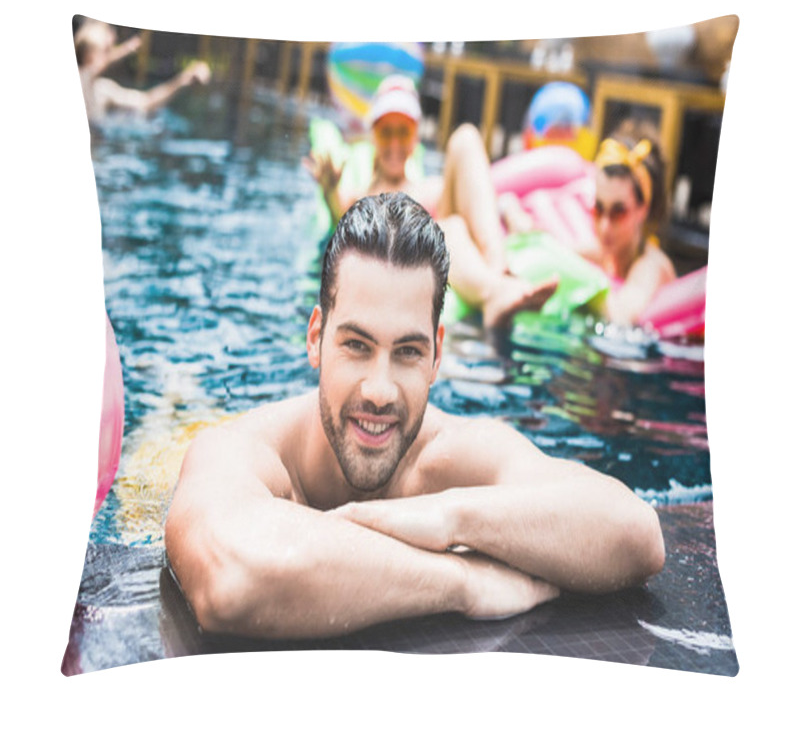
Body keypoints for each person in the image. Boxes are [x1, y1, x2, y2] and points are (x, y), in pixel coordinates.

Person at [164, 193, 665, 640]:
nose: (380, 392)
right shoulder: (242, 449)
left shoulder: (450, 456)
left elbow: (636, 534)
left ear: (437, 357)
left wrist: (449, 517)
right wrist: (462, 582)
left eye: (407, 352)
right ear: (315, 338)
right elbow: (232, 579)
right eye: (357, 345)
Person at [303, 76, 557, 328]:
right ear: (373, 136)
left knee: (466, 137)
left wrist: (510, 210)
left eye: (403, 132)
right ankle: (494, 292)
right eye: (386, 132)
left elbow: (482, 197)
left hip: (454, 243)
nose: (394, 144)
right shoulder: (364, 198)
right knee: (450, 227)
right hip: (420, 254)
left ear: (415, 136)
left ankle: (499, 270)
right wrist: (329, 190)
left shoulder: (430, 188)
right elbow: (340, 215)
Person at [581, 134, 676, 325]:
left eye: (618, 213)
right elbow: (552, 245)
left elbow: (620, 317)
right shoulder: (608, 254)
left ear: (643, 209)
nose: (605, 226)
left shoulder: (651, 267)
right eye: (599, 209)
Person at [74, 19, 211, 123]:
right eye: (107, 50)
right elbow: (87, 71)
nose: (110, 54)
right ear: (88, 55)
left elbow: (147, 101)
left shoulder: (103, 91)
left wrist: (182, 79)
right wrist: (123, 51)